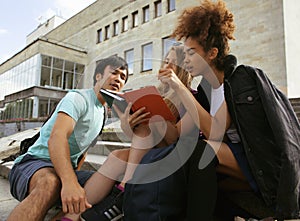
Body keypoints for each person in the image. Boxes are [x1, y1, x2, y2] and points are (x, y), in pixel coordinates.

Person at [156, 0, 300, 220]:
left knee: (201, 151)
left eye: (192, 53)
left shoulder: (241, 79)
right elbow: (179, 134)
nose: (186, 60)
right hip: (235, 165)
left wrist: (179, 86)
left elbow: (215, 131)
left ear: (212, 53)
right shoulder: (205, 91)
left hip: (263, 166)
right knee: (188, 158)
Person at [56, 45, 194, 221]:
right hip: (152, 150)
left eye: (173, 63)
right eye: (166, 61)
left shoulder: (189, 97)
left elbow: (177, 139)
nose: (167, 66)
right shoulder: (157, 92)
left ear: (184, 67)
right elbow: (137, 138)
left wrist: (157, 117)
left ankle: (123, 191)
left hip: (173, 155)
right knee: (117, 157)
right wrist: (127, 123)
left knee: (145, 126)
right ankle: (73, 214)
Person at [7, 55, 129, 221]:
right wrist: (69, 182)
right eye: (114, 73)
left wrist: (72, 181)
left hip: (63, 171)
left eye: (123, 77)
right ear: (98, 76)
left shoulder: (102, 114)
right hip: (33, 164)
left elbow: (82, 152)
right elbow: (57, 138)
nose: (118, 79)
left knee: (107, 186)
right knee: (50, 182)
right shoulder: (78, 98)